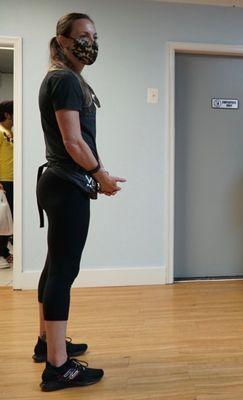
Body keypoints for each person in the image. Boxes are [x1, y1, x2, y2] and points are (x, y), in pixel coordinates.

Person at [35, 13, 126, 391]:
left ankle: (47, 342)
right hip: (67, 183)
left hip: (58, 182)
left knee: (54, 266)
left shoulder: (63, 78)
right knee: (63, 271)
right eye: (84, 35)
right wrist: (100, 174)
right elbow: (73, 141)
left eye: (95, 35)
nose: (91, 41)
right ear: (63, 39)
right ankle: (58, 366)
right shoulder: (65, 80)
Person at [0, 100, 13, 268]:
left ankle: (5, 251)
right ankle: (1, 253)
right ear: (7, 114)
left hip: (12, 180)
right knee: (2, 219)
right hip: (4, 181)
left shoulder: (9, 133)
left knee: (9, 218)